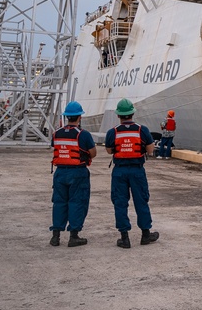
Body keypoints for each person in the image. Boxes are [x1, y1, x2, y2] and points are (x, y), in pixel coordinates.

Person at [104, 98, 159, 249]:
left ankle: (124, 238)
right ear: (132, 113)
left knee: (120, 203)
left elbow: (109, 151)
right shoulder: (142, 130)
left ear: (118, 115)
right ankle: (146, 235)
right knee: (141, 201)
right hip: (137, 170)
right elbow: (150, 150)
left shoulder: (113, 132)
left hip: (119, 171)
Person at [49, 101, 97, 247]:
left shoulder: (56, 133)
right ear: (79, 117)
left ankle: (55, 236)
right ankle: (74, 236)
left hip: (60, 172)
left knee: (59, 203)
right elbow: (93, 153)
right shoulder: (84, 135)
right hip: (78, 173)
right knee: (77, 202)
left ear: (66, 117)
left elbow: (55, 146)